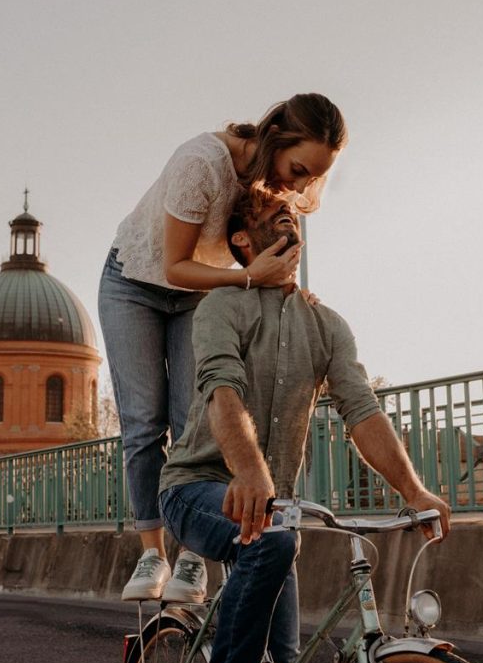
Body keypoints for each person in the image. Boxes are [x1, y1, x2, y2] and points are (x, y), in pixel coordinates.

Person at [157, 192, 451, 663]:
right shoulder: (221, 307)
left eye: (296, 214)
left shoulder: (325, 324)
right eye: (271, 212)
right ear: (239, 239)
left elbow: (361, 411)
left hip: (272, 505)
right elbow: (222, 393)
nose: (289, 218)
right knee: (271, 549)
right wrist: (248, 471)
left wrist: (413, 488)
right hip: (200, 487)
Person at [98, 94, 347, 602]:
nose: (298, 186)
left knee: (203, 417)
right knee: (146, 422)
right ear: (275, 135)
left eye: (310, 178)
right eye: (298, 169)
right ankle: (153, 552)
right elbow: (174, 267)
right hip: (135, 284)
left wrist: (290, 292)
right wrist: (250, 277)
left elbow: (268, 249)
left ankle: (193, 559)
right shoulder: (202, 163)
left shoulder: (268, 179)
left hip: (205, 288)